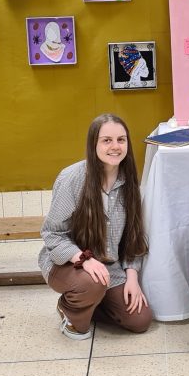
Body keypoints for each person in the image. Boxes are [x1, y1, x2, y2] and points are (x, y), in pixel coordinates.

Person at [38, 114, 151, 340]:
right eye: (106, 140)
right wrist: (84, 259)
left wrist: (131, 278)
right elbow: (51, 234)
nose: (115, 146)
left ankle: (92, 303)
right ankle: (70, 311)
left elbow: (132, 237)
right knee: (91, 283)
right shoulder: (72, 178)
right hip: (69, 264)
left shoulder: (129, 182)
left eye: (121, 140)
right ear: (94, 144)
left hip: (110, 269)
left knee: (140, 320)